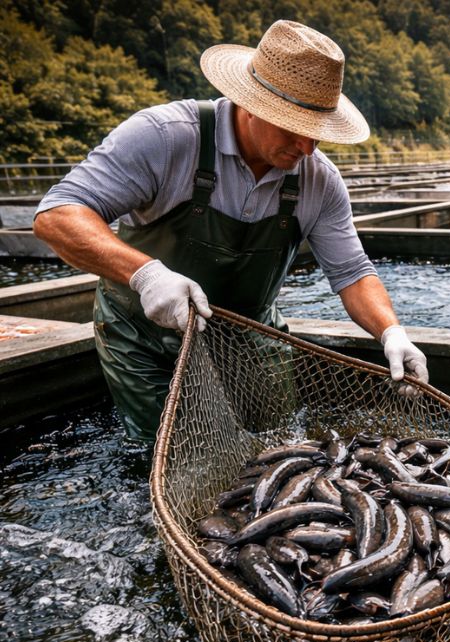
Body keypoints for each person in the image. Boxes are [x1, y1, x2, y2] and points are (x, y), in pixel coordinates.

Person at [33, 20, 428, 441]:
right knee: (173, 449)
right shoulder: (164, 138)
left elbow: (351, 272)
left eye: (317, 133)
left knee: (277, 442)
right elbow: (57, 215)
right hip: (144, 336)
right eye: (293, 128)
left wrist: (391, 332)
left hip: (249, 335)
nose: (307, 147)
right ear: (251, 103)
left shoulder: (320, 181)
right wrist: (145, 274)